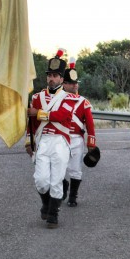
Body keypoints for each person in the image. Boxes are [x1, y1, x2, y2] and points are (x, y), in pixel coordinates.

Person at [25, 49, 77, 227]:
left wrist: (37, 113)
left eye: (55, 76)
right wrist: (28, 141)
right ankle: (46, 204)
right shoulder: (37, 97)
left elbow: (61, 115)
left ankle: (53, 214)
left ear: (62, 79)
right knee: (40, 181)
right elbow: (30, 124)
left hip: (60, 142)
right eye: (49, 75)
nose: (51, 79)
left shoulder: (69, 98)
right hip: (42, 141)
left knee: (56, 181)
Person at [61, 58, 97, 207]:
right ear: (64, 84)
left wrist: (91, 144)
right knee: (59, 168)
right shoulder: (57, 100)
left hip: (76, 139)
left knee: (75, 169)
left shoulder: (83, 102)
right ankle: (62, 188)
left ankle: (73, 196)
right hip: (60, 138)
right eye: (71, 83)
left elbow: (89, 124)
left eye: (76, 83)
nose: (75, 85)